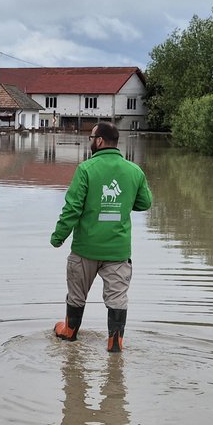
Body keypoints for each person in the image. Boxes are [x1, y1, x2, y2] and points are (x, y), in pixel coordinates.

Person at [50, 122, 152, 352]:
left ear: (100, 141)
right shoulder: (134, 171)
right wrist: (121, 206)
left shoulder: (86, 169)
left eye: (91, 138)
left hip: (85, 249)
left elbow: (72, 209)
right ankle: (115, 342)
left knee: (77, 296)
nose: (90, 142)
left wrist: (58, 237)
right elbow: (145, 202)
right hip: (117, 252)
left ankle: (70, 332)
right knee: (117, 299)